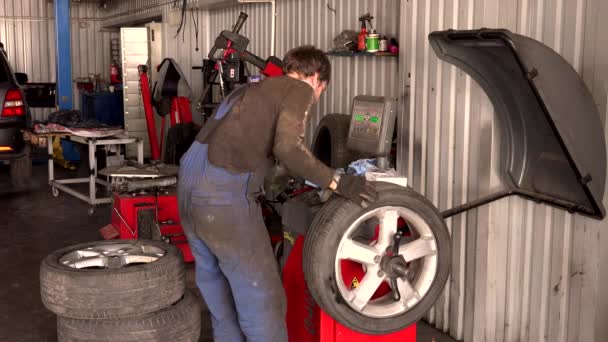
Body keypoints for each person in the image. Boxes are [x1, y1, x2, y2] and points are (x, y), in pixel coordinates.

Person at [178, 45, 377, 342]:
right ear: (317, 80)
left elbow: (248, 143)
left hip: (188, 191)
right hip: (222, 198)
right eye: (321, 91)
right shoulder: (298, 90)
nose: (317, 97)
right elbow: (288, 147)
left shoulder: (250, 89)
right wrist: (338, 182)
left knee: (223, 303)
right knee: (263, 301)